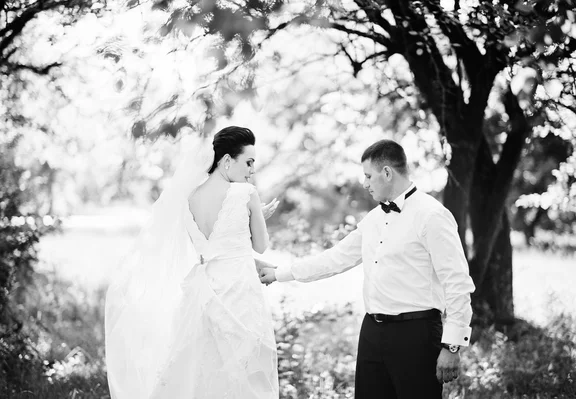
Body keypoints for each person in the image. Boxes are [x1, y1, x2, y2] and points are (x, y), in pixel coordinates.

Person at [259, 139, 476, 399]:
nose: (365, 183)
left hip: (416, 335)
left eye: (368, 176)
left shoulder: (432, 216)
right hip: (372, 332)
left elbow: (457, 282)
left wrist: (452, 346)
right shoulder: (373, 219)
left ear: (387, 173)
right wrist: (279, 273)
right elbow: (335, 259)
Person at [105, 126, 280, 399]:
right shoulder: (245, 193)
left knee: (200, 369)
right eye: (248, 162)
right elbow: (260, 245)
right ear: (226, 161)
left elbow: (212, 250)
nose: (251, 170)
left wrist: (248, 219)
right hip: (239, 292)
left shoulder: (187, 199)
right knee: (243, 370)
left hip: (203, 292)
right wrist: (257, 215)